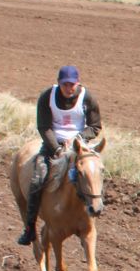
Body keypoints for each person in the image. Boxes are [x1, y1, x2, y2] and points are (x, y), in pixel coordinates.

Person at [20, 65, 101, 245]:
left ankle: (95, 207)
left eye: (72, 84)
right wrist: (56, 148)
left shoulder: (87, 98)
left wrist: (78, 139)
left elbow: (95, 127)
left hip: (79, 148)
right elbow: (44, 127)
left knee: (94, 173)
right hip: (52, 147)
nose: (68, 88)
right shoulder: (47, 97)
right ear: (58, 83)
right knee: (37, 180)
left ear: (78, 83)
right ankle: (29, 228)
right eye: (65, 84)